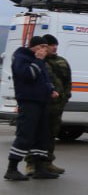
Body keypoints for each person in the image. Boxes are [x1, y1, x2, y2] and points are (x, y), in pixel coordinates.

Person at [6, 35, 60, 181]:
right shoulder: (21, 57)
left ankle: (40, 168)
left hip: (42, 101)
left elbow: (44, 78)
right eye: (40, 47)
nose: (44, 49)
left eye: (45, 47)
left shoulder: (40, 60)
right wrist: (38, 60)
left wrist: (50, 89)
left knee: (41, 135)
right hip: (29, 101)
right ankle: (12, 168)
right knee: (26, 134)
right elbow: (28, 75)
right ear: (33, 47)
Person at [27, 33, 71, 175]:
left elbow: (67, 82)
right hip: (41, 105)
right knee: (34, 135)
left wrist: (65, 97)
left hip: (57, 106)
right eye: (51, 45)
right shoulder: (37, 61)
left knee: (51, 135)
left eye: (55, 45)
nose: (54, 47)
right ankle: (31, 163)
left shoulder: (62, 62)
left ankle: (48, 162)